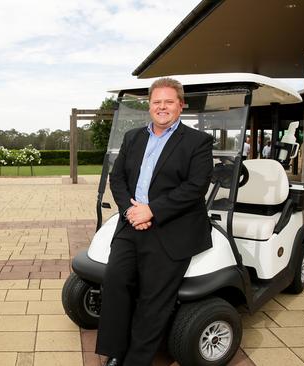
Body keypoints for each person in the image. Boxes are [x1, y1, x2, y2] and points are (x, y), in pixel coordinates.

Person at [95, 77, 213, 366]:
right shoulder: (133, 137)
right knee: (115, 282)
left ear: (181, 105)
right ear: (149, 105)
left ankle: (137, 360)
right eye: (156, 102)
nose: (162, 107)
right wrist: (131, 211)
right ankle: (115, 352)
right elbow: (118, 178)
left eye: (168, 101)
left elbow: (196, 186)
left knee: (153, 297)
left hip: (173, 227)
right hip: (131, 223)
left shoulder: (197, 141)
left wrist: (152, 211)